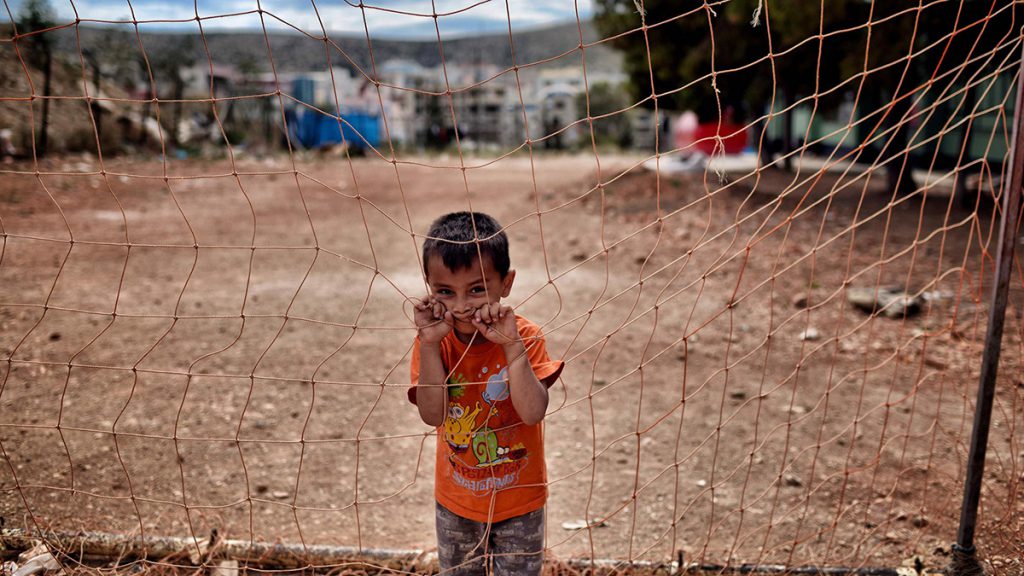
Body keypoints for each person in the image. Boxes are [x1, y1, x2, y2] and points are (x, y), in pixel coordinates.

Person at [408, 211, 563, 575]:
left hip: (520, 502)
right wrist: (429, 346)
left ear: (505, 284)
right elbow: (433, 416)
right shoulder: (435, 342)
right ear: (429, 286)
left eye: (477, 289)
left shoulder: (525, 335)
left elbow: (533, 412)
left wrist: (511, 348)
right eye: (445, 292)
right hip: (456, 502)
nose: (461, 306)